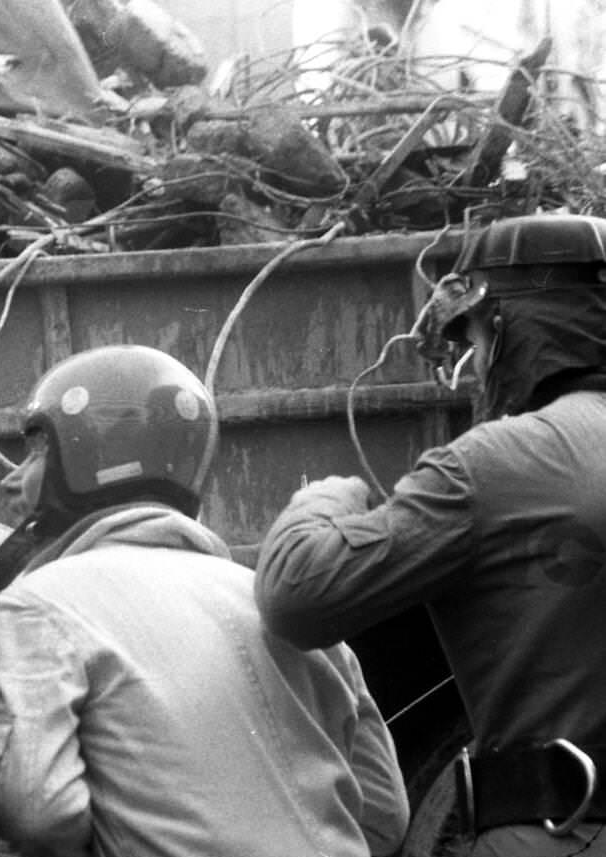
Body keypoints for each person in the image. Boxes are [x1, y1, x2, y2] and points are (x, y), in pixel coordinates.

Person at [254, 213, 606, 855]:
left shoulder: (496, 464)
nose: (472, 371)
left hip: (564, 830)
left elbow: (297, 595)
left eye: (471, 338)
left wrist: (326, 499)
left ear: (506, 329)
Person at [0, 344, 409, 857]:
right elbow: (385, 817)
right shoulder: (278, 604)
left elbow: (34, 808)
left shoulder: (38, 607)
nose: (11, 479)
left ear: (90, 459)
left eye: (35, 453)